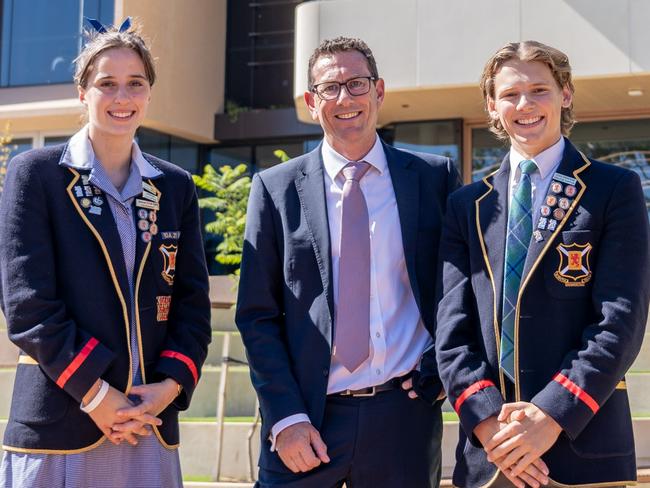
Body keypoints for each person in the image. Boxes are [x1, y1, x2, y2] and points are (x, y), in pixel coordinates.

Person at [236, 36, 459, 487]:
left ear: (379, 92)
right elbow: (257, 316)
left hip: (404, 416)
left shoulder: (435, 178)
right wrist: (285, 416)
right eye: (329, 88)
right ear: (310, 102)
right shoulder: (274, 189)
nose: (344, 99)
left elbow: (458, 290)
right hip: (307, 422)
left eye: (357, 84)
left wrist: (438, 369)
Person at [0, 18, 211, 488]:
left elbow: (192, 306)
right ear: (82, 92)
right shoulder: (35, 174)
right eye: (106, 84)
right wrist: (98, 396)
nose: (122, 97)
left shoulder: (175, 186)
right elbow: (27, 307)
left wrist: (168, 388)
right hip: (62, 424)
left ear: (149, 93)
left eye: (135, 83)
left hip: (148, 426)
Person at [435, 40, 650, 488]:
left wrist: (550, 416)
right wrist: (494, 429)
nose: (524, 104)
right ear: (492, 106)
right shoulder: (467, 205)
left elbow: (620, 322)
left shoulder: (614, 189)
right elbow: (452, 333)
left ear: (565, 94)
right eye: (510, 94)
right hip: (489, 456)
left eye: (539, 89)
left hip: (582, 446)